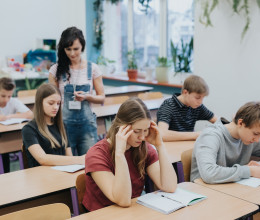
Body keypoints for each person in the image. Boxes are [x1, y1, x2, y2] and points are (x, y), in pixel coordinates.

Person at [82, 97, 177, 211]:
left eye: (145, 130)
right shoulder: (96, 154)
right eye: (137, 131)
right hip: (103, 214)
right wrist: (120, 154)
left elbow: (169, 186)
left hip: (132, 211)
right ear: (121, 128)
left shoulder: (142, 147)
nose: (142, 137)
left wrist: (160, 146)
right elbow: (123, 200)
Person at [49, 26, 105, 156]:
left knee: (89, 163)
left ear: (82, 47)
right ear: (63, 49)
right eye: (68, 49)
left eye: (76, 49)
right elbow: (52, 98)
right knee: (65, 164)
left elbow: (102, 97)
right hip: (63, 125)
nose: (72, 53)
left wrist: (87, 97)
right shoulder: (55, 70)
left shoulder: (93, 68)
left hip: (87, 126)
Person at [190, 101, 260, 183]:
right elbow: (209, 174)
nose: (257, 140)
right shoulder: (211, 136)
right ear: (241, 123)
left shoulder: (248, 136)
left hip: (231, 187)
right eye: (256, 134)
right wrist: (250, 171)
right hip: (203, 189)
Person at [22, 83, 85, 168]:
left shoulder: (62, 126)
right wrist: (79, 159)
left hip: (61, 173)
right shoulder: (29, 129)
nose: (56, 107)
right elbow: (42, 159)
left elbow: (69, 156)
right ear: (40, 103)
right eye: (51, 103)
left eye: (58, 103)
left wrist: (76, 161)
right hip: (40, 177)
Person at [157, 75, 217, 141]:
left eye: (202, 98)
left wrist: (229, 126)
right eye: (197, 98)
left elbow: (217, 120)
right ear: (185, 92)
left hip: (187, 145)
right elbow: (162, 134)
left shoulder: (197, 106)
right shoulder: (168, 105)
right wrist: (195, 135)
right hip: (170, 147)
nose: (200, 102)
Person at [0, 77, 33, 172]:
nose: (6, 99)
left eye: (9, 96)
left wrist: (9, 116)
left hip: (9, 136)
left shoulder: (13, 101)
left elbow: (31, 114)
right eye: (3, 96)